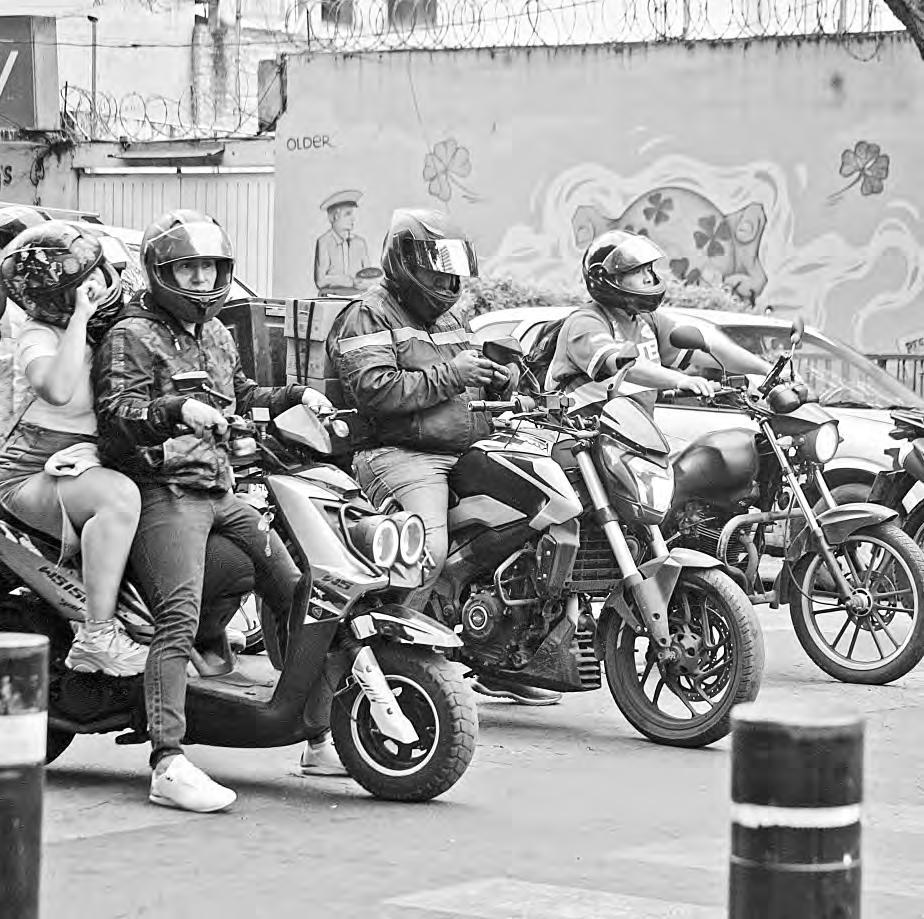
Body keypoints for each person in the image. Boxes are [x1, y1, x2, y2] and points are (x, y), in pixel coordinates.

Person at [93, 209, 340, 814]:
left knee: (299, 589)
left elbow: (241, 396)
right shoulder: (131, 334)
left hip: (222, 491)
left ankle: (317, 734)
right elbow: (115, 415)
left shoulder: (217, 334)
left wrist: (296, 396)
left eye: (211, 267)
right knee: (176, 615)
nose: (202, 279)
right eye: (189, 268)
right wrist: (175, 410)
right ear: (161, 271)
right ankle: (167, 761)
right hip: (164, 491)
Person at [330, 207, 563, 707]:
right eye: (437, 271)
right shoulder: (366, 313)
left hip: (465, 448)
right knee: (427, 550)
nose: (448, 282)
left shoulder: (451, 316)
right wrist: (455, 374)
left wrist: (499, 379)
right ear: (405, 263)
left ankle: (501, 657)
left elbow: (464, 379)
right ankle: (389, 662)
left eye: (453, 271)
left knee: (535, 521)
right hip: (400, 453)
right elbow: (375, 390)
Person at [0, 221, 148, 676]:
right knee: (118, 498)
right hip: (27, 471)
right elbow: (58, 389)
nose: (95, 285)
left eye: (95, 272)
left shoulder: (116, 323)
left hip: (85, 459)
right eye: (79, 285)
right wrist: (81, 317)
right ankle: (96, 636)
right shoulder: (38, 335)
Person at [547, 229, 771, 398]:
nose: (648, 278)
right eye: (637, 271)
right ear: (607, 279)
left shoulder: (647, 321)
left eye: (648, 269)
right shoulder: (586, 322)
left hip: (636, 436)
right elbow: (624, 367)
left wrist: (766, 369)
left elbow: (711, 351)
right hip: (583, 438)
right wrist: (680, 380)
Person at [313, 190, 372, 297]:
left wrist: (365, 283)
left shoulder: (360, 243)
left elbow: (369, 276)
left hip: (358, 299)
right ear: (335, 217)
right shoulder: (324, 242)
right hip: (332, 299)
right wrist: (349, 281)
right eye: (348, 214)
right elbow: (320, 281)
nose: (353, 219)